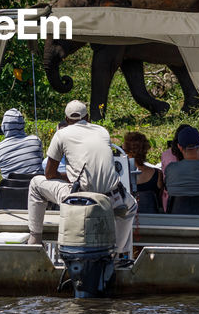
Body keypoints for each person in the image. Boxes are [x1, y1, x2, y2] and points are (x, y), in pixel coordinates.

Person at [28, 100, 137, 264]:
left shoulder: (61, 134)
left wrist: (67, 176)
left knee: (36, 184)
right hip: (113, 198)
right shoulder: (102, 131)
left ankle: (35, 241)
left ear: (66, 119)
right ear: (88, 118)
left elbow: (49, 174)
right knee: (131, 206)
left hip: (80, 197)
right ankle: (117, 255)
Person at [0, 108, 44, 177]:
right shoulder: (36, 141)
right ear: (22, 124)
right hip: (35, 186)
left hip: (10, 187)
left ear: (4, 127)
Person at [122, 131, 163, 215]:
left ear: (126, 150)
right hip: (152, 220)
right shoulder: (157, 173)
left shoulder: (120, 175)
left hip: (128, 220)